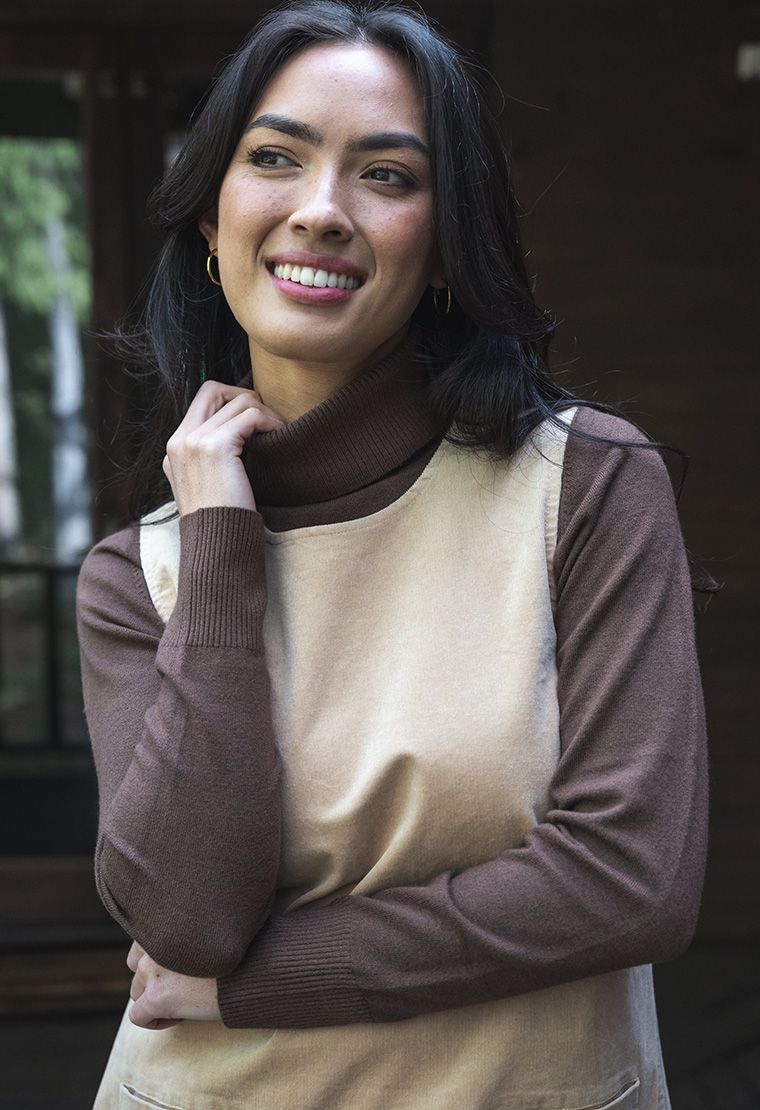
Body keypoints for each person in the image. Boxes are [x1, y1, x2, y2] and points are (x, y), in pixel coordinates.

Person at [76, 2, 709, 1107]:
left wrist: (254, 984)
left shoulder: (585, 487)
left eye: (386, 175)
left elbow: (628, 881)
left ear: (447, 242)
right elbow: (187, 919)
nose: (319, 211)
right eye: (274, 159)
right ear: (211, 227)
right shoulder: (140, 577)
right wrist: (224, 540)